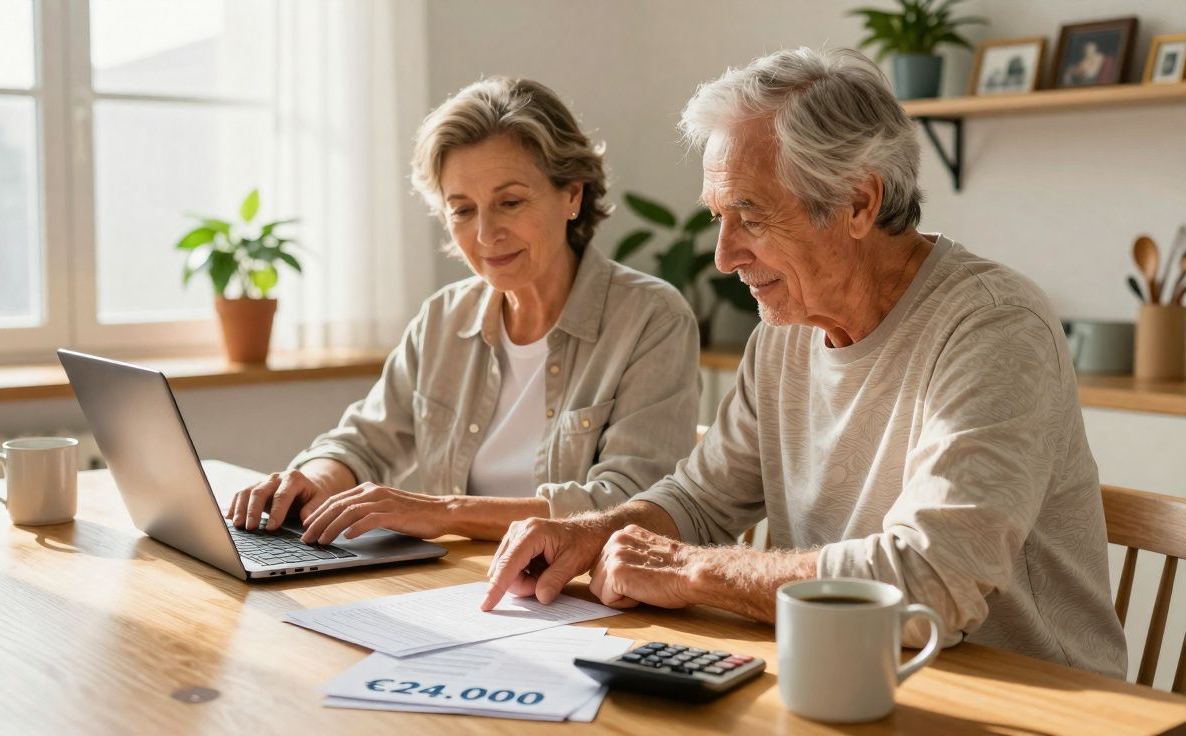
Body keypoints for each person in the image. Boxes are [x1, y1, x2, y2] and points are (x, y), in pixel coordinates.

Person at [482, 48, 1128, 678]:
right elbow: (702, 498)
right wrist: (596, 531)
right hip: (847, 674)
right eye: (717, 217)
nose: (724, 255)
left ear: (857, 203)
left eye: (751, 216)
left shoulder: (992, 326)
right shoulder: (786, 331)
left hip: (1026, 697)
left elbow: (932, 579)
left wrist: (697, 571)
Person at [226, 77, 700, 545]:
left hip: (583, 597)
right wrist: (313, 479)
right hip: (456, 591)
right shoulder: (443, 319)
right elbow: (363, 442)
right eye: (462, 210)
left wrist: (445, 512)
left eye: (509, 202)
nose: (486, 234)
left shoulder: (652, 319)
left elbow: (630, 504)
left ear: (572, 194)